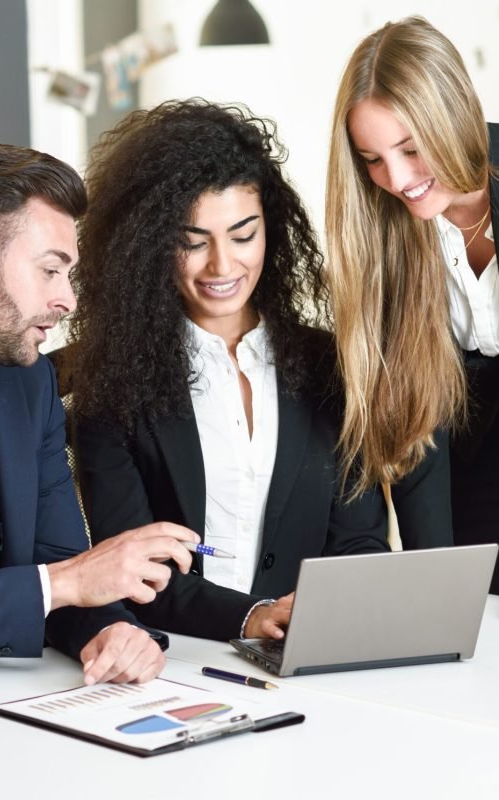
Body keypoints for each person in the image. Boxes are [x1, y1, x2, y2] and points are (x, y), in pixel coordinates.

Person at [65, 99, 452, 643]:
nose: (222, 266)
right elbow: (128, 567)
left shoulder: (329, 366)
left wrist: (329, 609)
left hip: (309, 652)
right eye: (191, 243)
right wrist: (248, 617)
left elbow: (358, 539)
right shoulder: (114, 383)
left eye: (243, 236)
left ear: (273, 231)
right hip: (173, 655)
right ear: (148, 247)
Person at [325, 15, 499, 626]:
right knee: (462, 616)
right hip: (475, 438)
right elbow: (419, 406)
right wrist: (428, 578)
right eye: (374, 159)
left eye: (411, 148)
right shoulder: (386, 223)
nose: (398, 180)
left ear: (453, 112)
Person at [0, 143, 202, 683]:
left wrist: (110, 631)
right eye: (51, 271)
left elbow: (62, 561)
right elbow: (64, 579)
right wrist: (66, 583)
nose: (68, 301)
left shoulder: (29, 385)